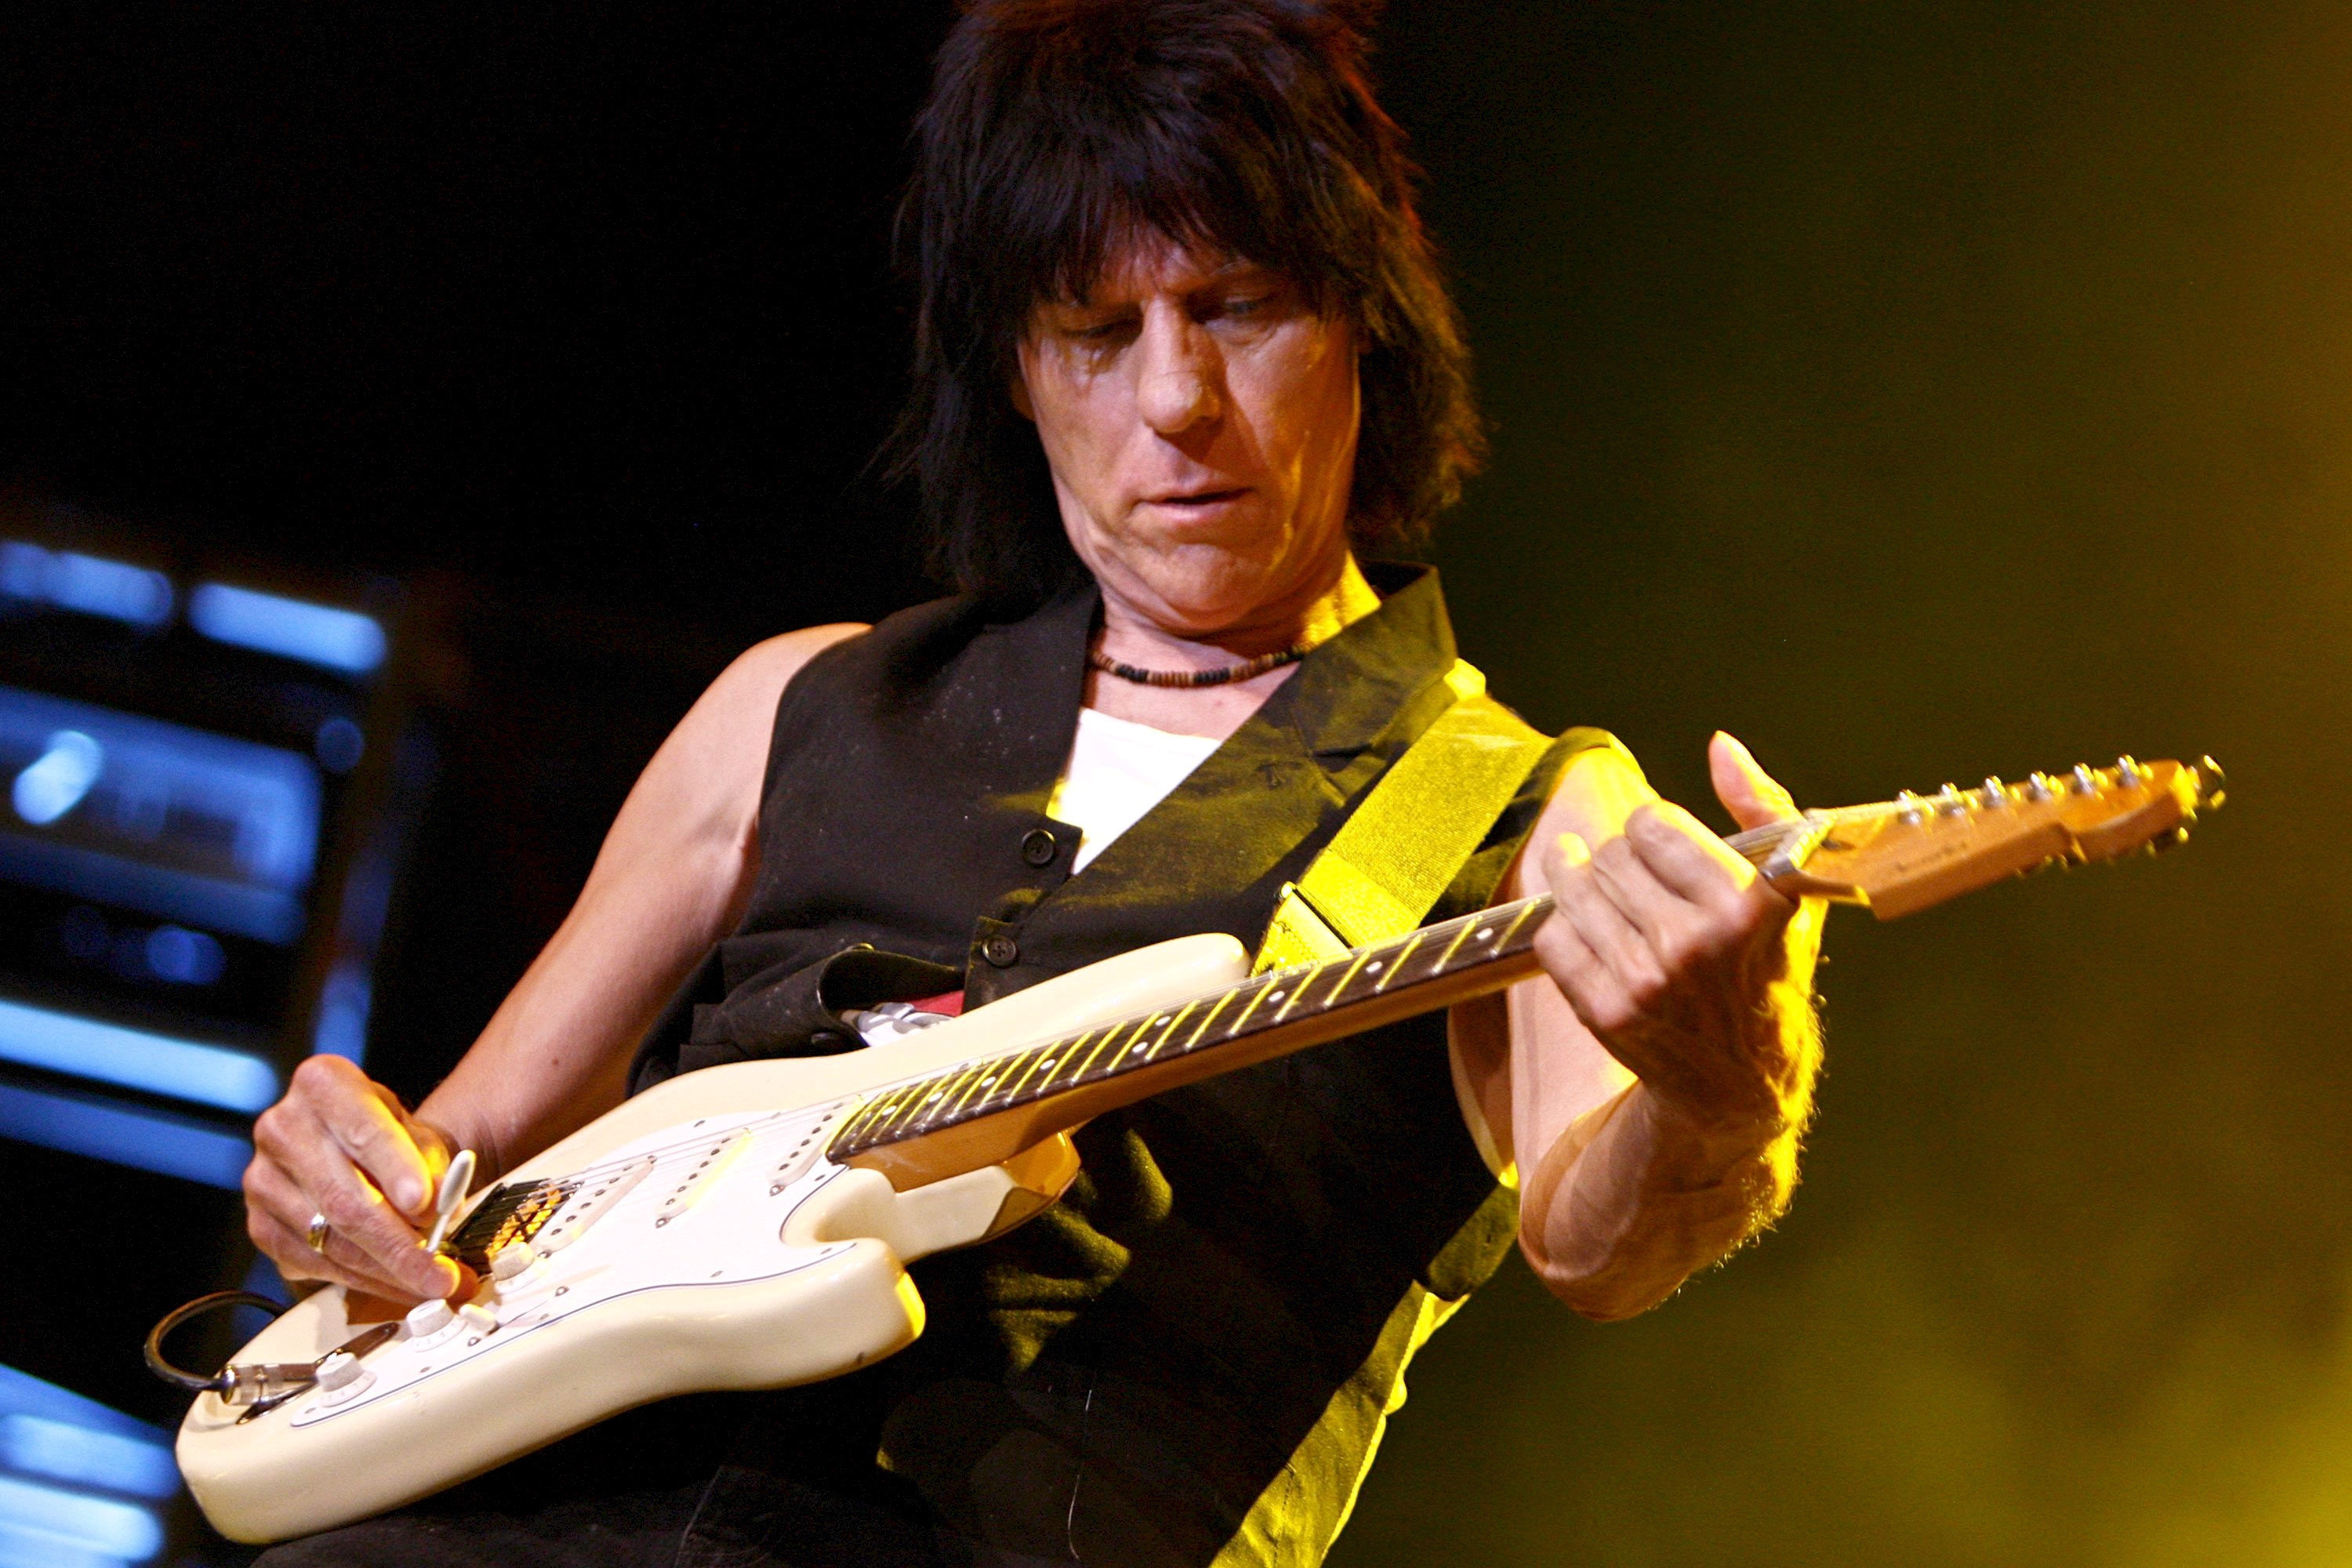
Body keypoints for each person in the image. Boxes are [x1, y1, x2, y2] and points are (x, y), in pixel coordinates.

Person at [244, 2, 1822, 1563]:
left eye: (1240, 305)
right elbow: (443, 1171)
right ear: (1012, 371)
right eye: (1096, 332)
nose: (1177, 401)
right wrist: (345, 1176)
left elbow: (1601, 1247)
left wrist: (1722, 1088)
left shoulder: (1528, 814)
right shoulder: (792, 704)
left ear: (1365, 320)